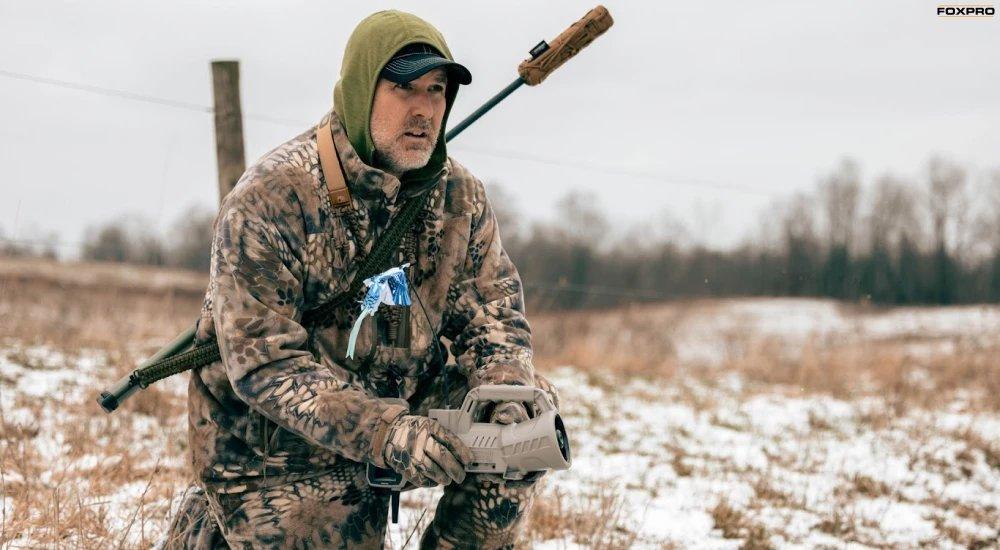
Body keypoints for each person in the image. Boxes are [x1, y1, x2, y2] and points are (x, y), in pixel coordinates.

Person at [163, 9, 558, 549]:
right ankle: (210, 526)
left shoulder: (458, 196)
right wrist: (385, 432)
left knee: (527, 422)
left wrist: (506, 389)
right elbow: (267, 365)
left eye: (436, 90)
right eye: (403, 88)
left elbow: (493, 315)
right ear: (359, 91)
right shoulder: (273, 197)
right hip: (278, 453)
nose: (424, 110)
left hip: (408, 420)